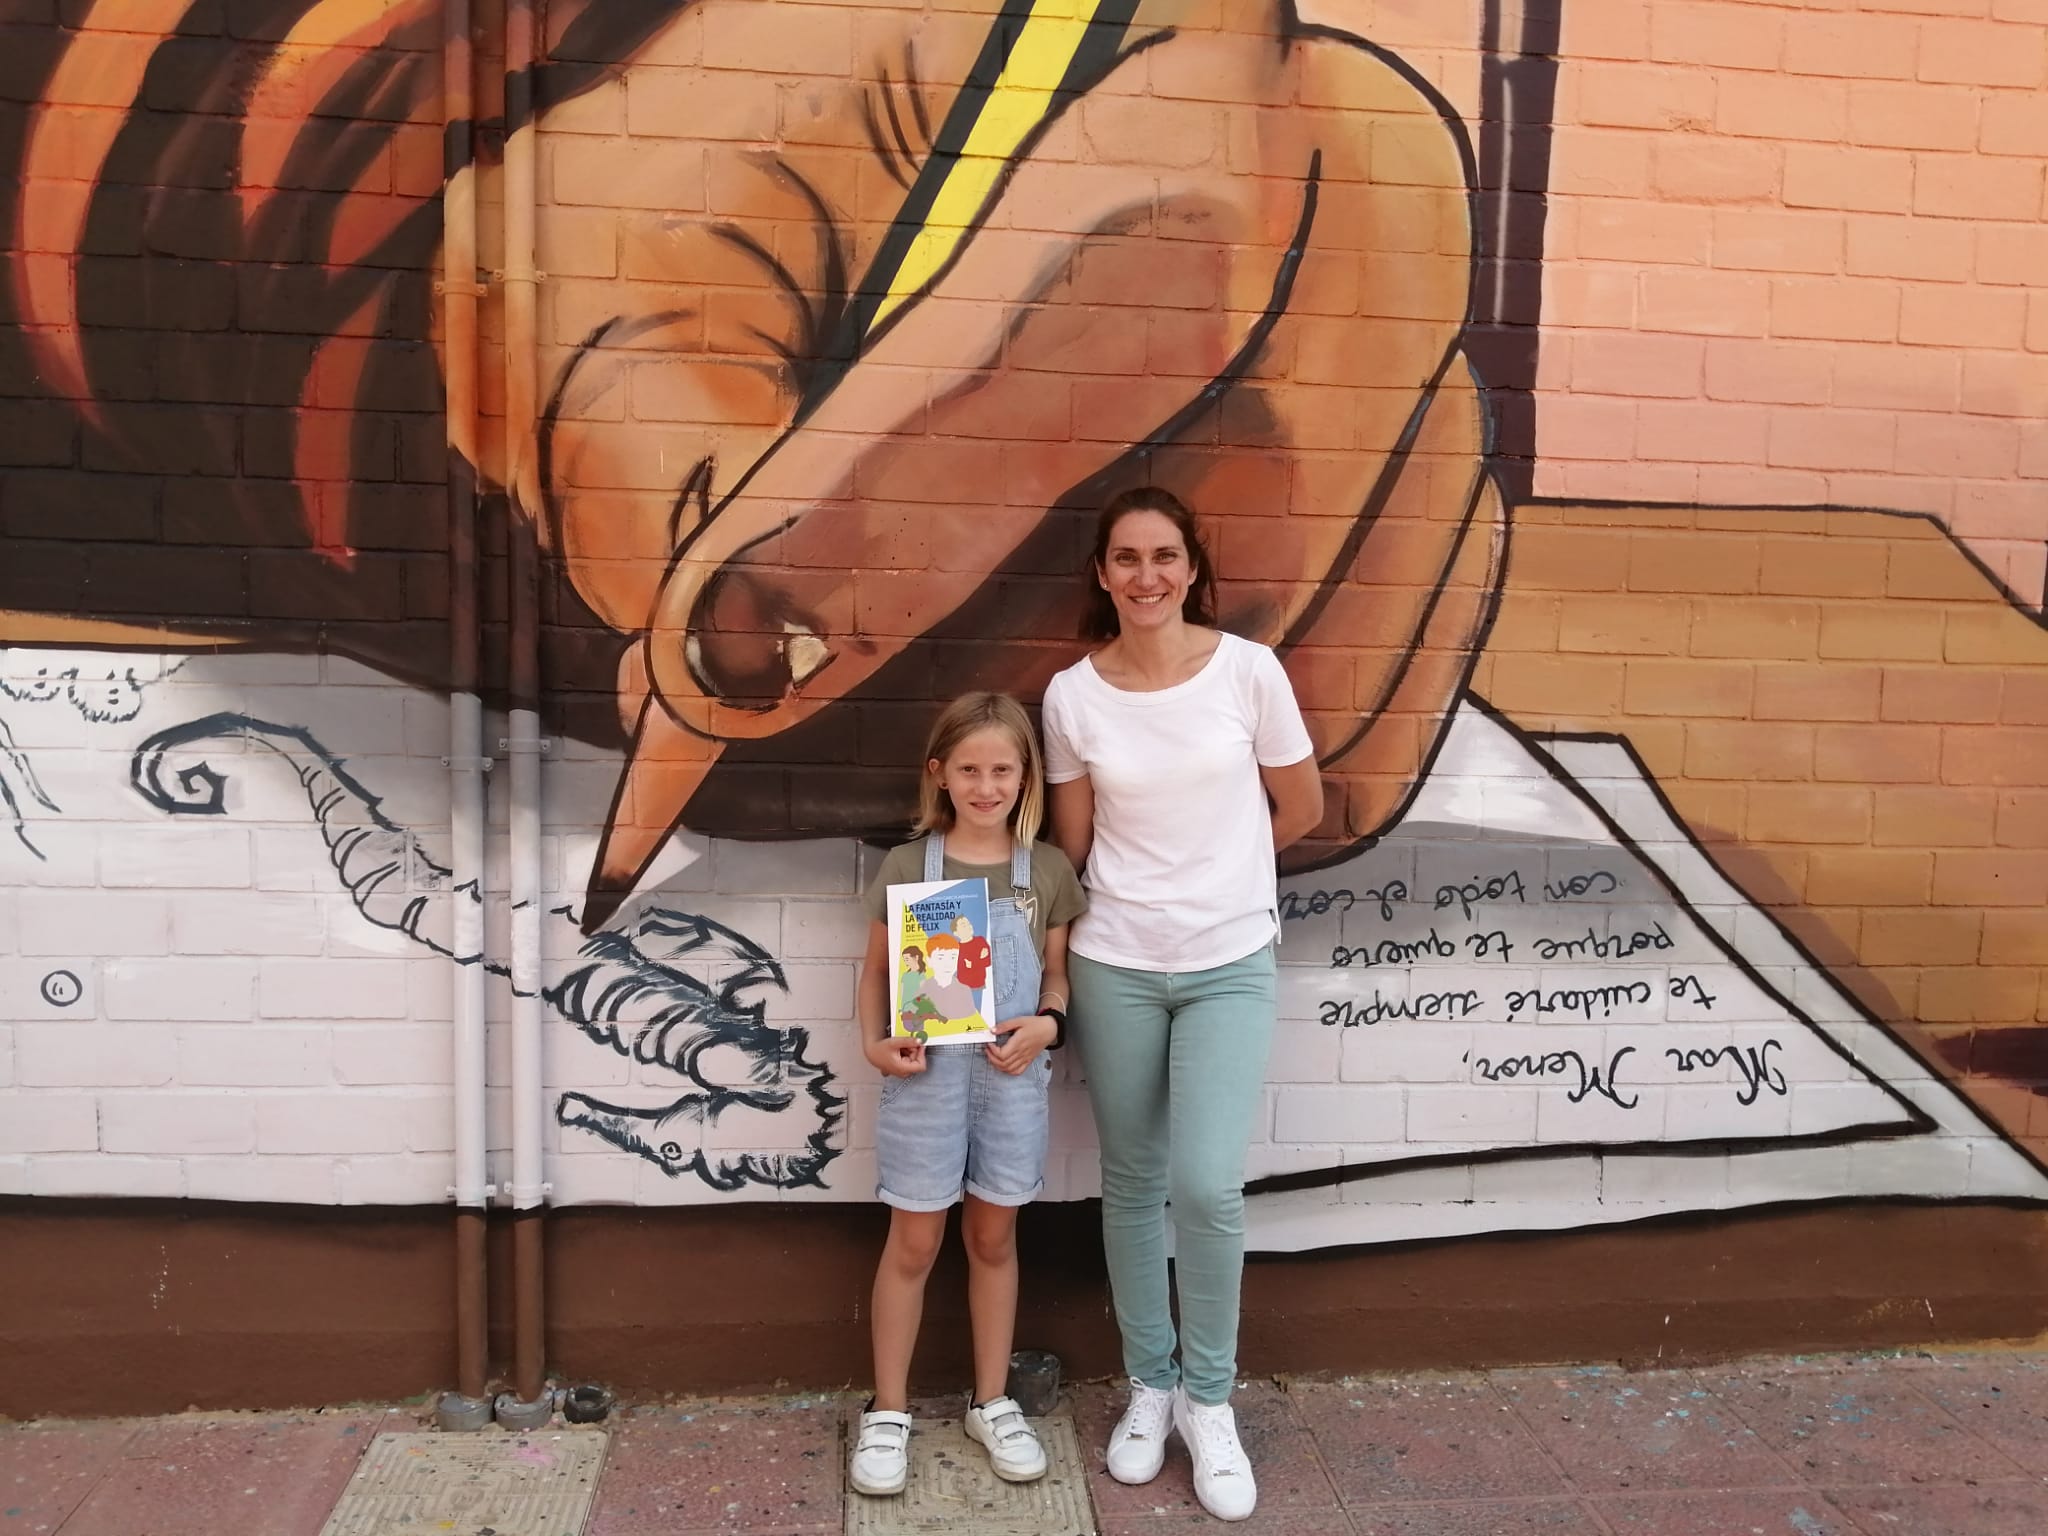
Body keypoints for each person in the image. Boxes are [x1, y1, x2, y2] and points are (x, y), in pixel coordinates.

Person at [1045, 487, 1322, 1523]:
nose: (1146, 576)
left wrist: (1220, 874)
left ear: (1193, 569)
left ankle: (1210, 1401)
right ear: (1102, 575)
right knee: (1131, 1185)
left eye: (1164, 557)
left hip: (1227, 960)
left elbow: (1299, 807)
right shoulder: (1071, 694)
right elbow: (1071, 849)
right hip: (1115, 963)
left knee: (1205, 1188)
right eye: (1126, 559)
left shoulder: (1249, 672)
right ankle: (1147, 1386)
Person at [850, 692, 1088, 1497]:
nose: (986, 786)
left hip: (1011, 1078)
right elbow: (879, 973)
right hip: (927, 1080)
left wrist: (1049, 1026)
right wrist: (873, 1042)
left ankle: (991, 1400)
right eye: (970, 770)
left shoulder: (1047, 871)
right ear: (939, 775)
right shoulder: (907, 866)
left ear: (1026, 777)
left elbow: (1055, 973)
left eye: (1003, 770)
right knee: (913, 1244)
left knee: (992, 1241)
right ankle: (887, 1411)